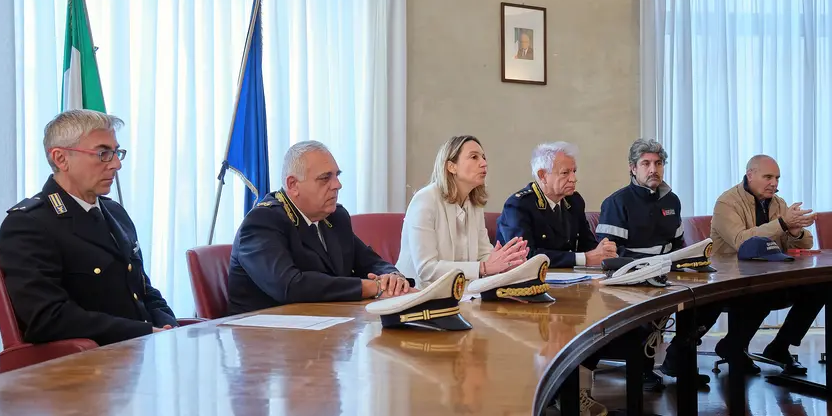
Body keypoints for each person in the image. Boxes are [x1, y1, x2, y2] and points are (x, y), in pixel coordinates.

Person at [0, 109, 178, 346]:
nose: (115, 164)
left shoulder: (114, 212)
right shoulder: (29, 224)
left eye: (116, 153)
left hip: (137, 354)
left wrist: (170, 328)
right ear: (61, 159)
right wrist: (144, 332)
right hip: (84, 368)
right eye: (103, 153)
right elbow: (47, 318)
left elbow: (143, 290)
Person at [227, 140, 412, 315]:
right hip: (263, 337)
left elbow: (369, 261)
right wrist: (372, 287)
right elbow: (290, 286)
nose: (337, 185)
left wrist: (392, 278)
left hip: (324, 327)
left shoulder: (335, 217)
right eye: (325, 178)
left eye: (336, 176)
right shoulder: (263, 221)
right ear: (293, 185)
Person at [678, 154, 822, 375]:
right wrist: (782, 223)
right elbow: (742, 242)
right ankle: (732, 346)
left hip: (769, 277)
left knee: (820, 287)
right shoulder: (727, 202)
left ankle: (779, 347)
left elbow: (804, 242)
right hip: (731, 282)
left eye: (777, 178)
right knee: (761, 294)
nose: (774, 183)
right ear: (750, 175)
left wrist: (796, 231)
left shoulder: (778, 203)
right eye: (768, 177)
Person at [596, 138, 709, 387]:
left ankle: (679, 362)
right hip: (632, 277)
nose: (653, 169)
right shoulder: (617, 202)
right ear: (632, 168)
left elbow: (679, 245)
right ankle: (640, 369)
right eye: (645, 163)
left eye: (658, 163)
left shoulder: (672, 201)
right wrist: (648, 266)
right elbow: (608, 254)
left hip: (669, 271)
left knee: (706, 301)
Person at [395, 135, 529, 289]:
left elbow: (483, 255)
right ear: (451, 167)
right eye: (474, 157)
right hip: (417, 293)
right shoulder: (425, 200)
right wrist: (484, 267)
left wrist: (507, 262)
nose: (484, 163)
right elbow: (426, 269)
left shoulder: (474, 202)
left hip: (461, 293)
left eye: (484, 158)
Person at [497, 142, 616, 268]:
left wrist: (603, 250)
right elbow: (525, 255)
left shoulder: (574, 201)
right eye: (565, 173)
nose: (573, 178)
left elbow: (586, 244)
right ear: (542, 176)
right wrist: (584, 258)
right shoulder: (519, 205)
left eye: (574, 171)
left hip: (570, 278)